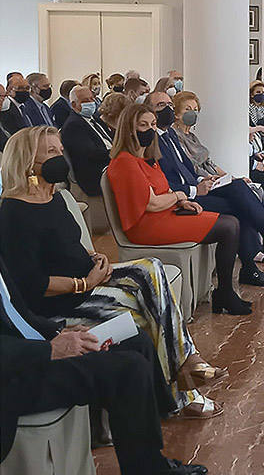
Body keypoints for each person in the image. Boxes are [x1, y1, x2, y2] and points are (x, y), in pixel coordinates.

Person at [0, 126, 225, 418]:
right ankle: (183, 390)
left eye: (60, 149)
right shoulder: (13, 213)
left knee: (151, 268)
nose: (60, 156)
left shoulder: (55, 197)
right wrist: (83, 282)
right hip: (60, 303)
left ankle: (186, 366)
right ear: (28, 160)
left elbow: (67, 245)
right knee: (145, 313)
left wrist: (92, 257)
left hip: (90, 281)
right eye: (51, 152)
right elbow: (30, 284)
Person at [0, 258, 210, 475]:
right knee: (128, 371)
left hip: (32, 350)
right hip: (13, 376)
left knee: (136, 340)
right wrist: (49, 349)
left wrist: (57, 331)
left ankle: (151, 462)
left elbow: (16, 312)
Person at [106, 103, 251, 316]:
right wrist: (179, 196)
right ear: (129, 129)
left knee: (229, 221)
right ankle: (225, 294)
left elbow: (162, 191)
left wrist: (181, 202)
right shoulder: (125, 162)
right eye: (143, 125)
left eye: (153, 124)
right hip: (145, 225)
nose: (150, 130)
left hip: (164, 215)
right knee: (229, 226)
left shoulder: (147, 159)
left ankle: (223, 292)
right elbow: (151, 203)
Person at [146, 91, 264, 287]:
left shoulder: (169, 136)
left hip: (195, 187)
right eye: (161, 106)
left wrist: (205, 179)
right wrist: (194, 190)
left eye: (169, 104)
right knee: (238, 205)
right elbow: (164, 183)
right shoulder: (152, 142)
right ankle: (257, 252)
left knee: (237, 186)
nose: (167, 109)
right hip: (183, 198)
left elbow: (186, 168)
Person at [61, 85, 110, 196]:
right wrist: (116, 153)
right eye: (85, 100)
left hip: (109, 162)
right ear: (74, 105)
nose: (91, 102)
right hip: (96, 173)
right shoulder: (73, 125)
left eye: (92, 98)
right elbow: (90, 154)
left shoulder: (95, 119)